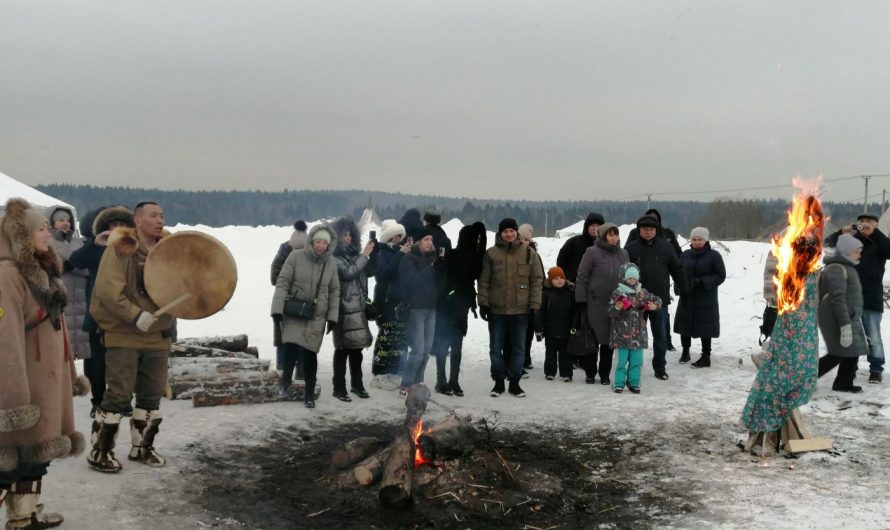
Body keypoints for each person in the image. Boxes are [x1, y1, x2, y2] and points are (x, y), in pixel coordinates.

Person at [0, 198, 89, 529]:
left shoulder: (42, 272)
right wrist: (12, 400)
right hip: (23, 383)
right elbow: (4, 341)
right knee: (12, 463)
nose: (48, 235)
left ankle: (25, 515)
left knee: (37, 458)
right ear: (21, 237)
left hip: (47, 381)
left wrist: (69, 375)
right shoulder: (7, 277)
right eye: (40, 229)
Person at [88, 201, 176, 473]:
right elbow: (107, 289)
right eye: (153, 215)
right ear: (138, 221)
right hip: (124, 333)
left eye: (162, 215)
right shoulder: (121, 247)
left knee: (151, 395)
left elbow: (184, 282)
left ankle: (142, 446)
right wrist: (135, 315)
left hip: (157, 334)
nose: (160, 219)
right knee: (118, 395)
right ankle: (100, 450)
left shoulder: (171, 248)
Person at [68, 206, 135, 417]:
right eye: (114, 225)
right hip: (97, 312)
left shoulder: (133, 248)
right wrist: (95, 244)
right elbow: (75, 261)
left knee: (123, 361)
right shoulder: (95, 246)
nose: (118, 229)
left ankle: (122, 400)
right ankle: (98, 400)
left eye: (123, 225)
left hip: (125, 312)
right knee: (96, 361)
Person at [271, 225, 340, 409]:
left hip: (316, 315)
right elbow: (282, 282)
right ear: (311, 241)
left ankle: (309, 393)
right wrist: (277, 309)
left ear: (328, 244)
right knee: (291, 350)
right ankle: (285, 385)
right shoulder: (295, 256)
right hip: (294, 311)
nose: (320, 246)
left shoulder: (331, 263)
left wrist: (333, 317)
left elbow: (334, 291)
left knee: (310, 356)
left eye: (324, 243)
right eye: (318, 241)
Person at [478, 218, 544, 398]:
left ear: (516, 233)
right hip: (497, 310)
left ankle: (515, 383)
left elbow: (537, 281)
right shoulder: (490, 254)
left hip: (520, 311)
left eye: (512, 231)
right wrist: (483, 303)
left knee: (519, 349)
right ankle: (498, 382)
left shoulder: (529, 254)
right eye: (505, 231)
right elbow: (483, 281)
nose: (509, 234)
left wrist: (534, 306)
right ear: (500, 233)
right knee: (495, 348)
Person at [825, 213, 890, 384]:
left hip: (871, 297)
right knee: (849, 335)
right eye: (861, 221)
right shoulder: (851, 240)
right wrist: (841, 233)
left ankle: (876, 369)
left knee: (872, 335)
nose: (864, 224)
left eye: (868, 221)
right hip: (850, 297)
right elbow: (827, 247)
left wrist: (875, 233)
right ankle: (848, 371)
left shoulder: (879, 242)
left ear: (876, 225)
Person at [625, 215, 687, 380]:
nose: (648, 232)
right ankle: (632, 366)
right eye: (645, 229)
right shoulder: (631, 248)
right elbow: (622, 273)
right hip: (636, 300)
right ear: (639, 230)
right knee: (634, 335)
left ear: (656, 230)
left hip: (659, 300)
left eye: (651, 229)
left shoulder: (666, 247)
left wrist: (683, 287)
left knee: (660, 335)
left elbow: (677, 269)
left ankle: (660, 368)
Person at [574, 223, 629, 384]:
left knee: (609, 341)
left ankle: (604, 374)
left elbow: (628, 278)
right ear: (603, 236)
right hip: (594, 303)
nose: (613, 238)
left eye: (615, 234)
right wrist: (581, 300)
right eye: (609, 235)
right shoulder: (592, 252)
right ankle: (590, 373)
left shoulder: (623, 253)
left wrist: (628, 300)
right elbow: (582, 277)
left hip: (616, 304)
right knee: (593, 339)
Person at [330, 217, 376, 401]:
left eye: (350, 234)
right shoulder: (334, 258)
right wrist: (364, 256)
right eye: (345, 235)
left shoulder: (355, 255)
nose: (348, 238)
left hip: (358, 309)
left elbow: (369, 271)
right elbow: (349, 273)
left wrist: (373, 254)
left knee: (356, 350)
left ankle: (357, 385)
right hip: (343, 309)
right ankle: (339, 387)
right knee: (342, 350)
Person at [439, 222, 487, 396]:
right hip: (459, 303)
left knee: (446, 343)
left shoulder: (456, 255)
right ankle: (450, 380)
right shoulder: (475, 258)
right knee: (454, 344)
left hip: (451, 303)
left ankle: (445, 380)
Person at [817, 234, 868, 392]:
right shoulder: (836, 269)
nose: (860, 254)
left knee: (854, 351)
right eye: (857, 251)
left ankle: (843, 383)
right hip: (838, 317)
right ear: (847, 252)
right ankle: (804, 379)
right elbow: (837, 299)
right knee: (838, 353)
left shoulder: (847, 267)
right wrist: (844, 324)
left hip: (850, 316)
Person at [674, 227, 726, 368]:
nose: (697, 242)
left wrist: (701, 282)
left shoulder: (714, 256)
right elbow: (678, 272)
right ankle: (685, 351)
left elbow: (720, 276)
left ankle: (706, 355)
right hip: (687, 296)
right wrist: (678, 287)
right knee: (685, 324)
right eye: (694, 239)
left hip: (706, 297)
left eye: (700, 239)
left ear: (706, 240)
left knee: (705, 327)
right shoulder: (685, 255)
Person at [608, 263, 662, 394]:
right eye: (629, 278)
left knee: (636, 362)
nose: (632, 280)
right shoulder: (618, 293)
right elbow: (610, 313)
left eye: (634, 278)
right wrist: (617, 308)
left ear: (637, 278)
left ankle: (634, 383)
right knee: (621, 361)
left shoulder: (642, 293)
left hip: (638, 335)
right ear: (624, 278)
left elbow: (658, 300)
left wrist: (655, 306)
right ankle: (618, 383)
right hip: (621, 335)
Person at [46, 206, 90, 362]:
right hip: (61, 296)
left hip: (81, 297)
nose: (65, 223)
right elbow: (48, 267)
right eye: (61, 220)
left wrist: (72, 265)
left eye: (67, 220)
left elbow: (87, 266)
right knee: (62, 343)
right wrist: (64, 266)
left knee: (83, 340)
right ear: (52, 223)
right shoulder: (47, 243)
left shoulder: (78, 243)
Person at [398, 230, 440, 393]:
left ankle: (418, 382)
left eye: (431, 239)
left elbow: (438, 283)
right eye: (426, 239)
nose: (430, 242)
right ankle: (406, 384)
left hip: (431, 309)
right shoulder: (408, 259)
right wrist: (429, 269)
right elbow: (409, 282)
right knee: (418, 350)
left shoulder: (434, 259)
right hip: (415, 309)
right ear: (418, 242)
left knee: (426, 350)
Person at [370, 219, 410, 389]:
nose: (397, 238)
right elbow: (384, 274)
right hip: (385, 301)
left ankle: (395, 371)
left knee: (399, 338)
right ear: (388, 237)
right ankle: (379, 374)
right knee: (386, 338)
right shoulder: (381, 252)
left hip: (400, 302)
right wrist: (400, 254)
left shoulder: (402, 252)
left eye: (399, 235)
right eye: (394, 235)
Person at [270, 220, 308, 374]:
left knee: (302, 339)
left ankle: (301, 371)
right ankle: (281, 371)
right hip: (284, 302)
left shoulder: (311, 256)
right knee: (283, 339)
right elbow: (274, 277)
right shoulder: (283, 254)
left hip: (304, 303)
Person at [535, 267, 575, 381]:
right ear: (550, 280)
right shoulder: (546, 294)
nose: (559, 281)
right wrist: (538, 329)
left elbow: (573, 312)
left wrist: (574, 328)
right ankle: (550, 372)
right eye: (556, 278)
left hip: (566, 329)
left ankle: (566, 373)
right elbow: (540, 312)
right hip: (550, 329)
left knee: (565, 353)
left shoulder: (569, 293)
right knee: (550, 353)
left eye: (562, 278)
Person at [556, 212, 604, 282]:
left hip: (598, 285)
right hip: (574, 283)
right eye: (593, 225)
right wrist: (567, 278)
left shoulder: (605, 245)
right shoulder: (573, 242)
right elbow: (561, 262)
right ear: (587, 226)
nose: (595, 228)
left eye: (598, 226)